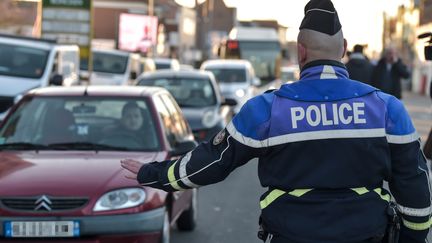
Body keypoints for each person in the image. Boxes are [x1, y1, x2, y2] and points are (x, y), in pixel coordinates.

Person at [121, 1, 431, 242]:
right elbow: (414, 189)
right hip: (366, 236)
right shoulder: (388, 109)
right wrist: (412, 238)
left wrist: (152, 173)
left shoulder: (267, 109)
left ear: (300, 51)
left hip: (291, 236)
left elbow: (209, 164)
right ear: (345, 49)